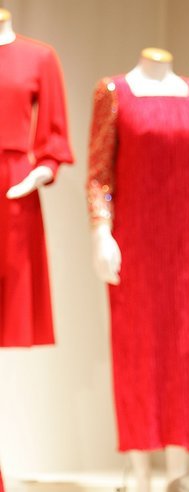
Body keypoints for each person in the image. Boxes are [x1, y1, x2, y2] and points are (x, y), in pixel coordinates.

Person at [86, 47, 189, 492]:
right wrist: (101, 231)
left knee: (179, 350)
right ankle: (138, 470)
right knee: (134, 350)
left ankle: (175, 469)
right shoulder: (114, 93)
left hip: (182, 251)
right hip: (133, 244)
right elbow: (99, 174)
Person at [0, 8, 74, 347]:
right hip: (16, 180)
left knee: (11, 295)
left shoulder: (39, 58)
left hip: (13, 184)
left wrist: (38, 174)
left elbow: (53, 135)